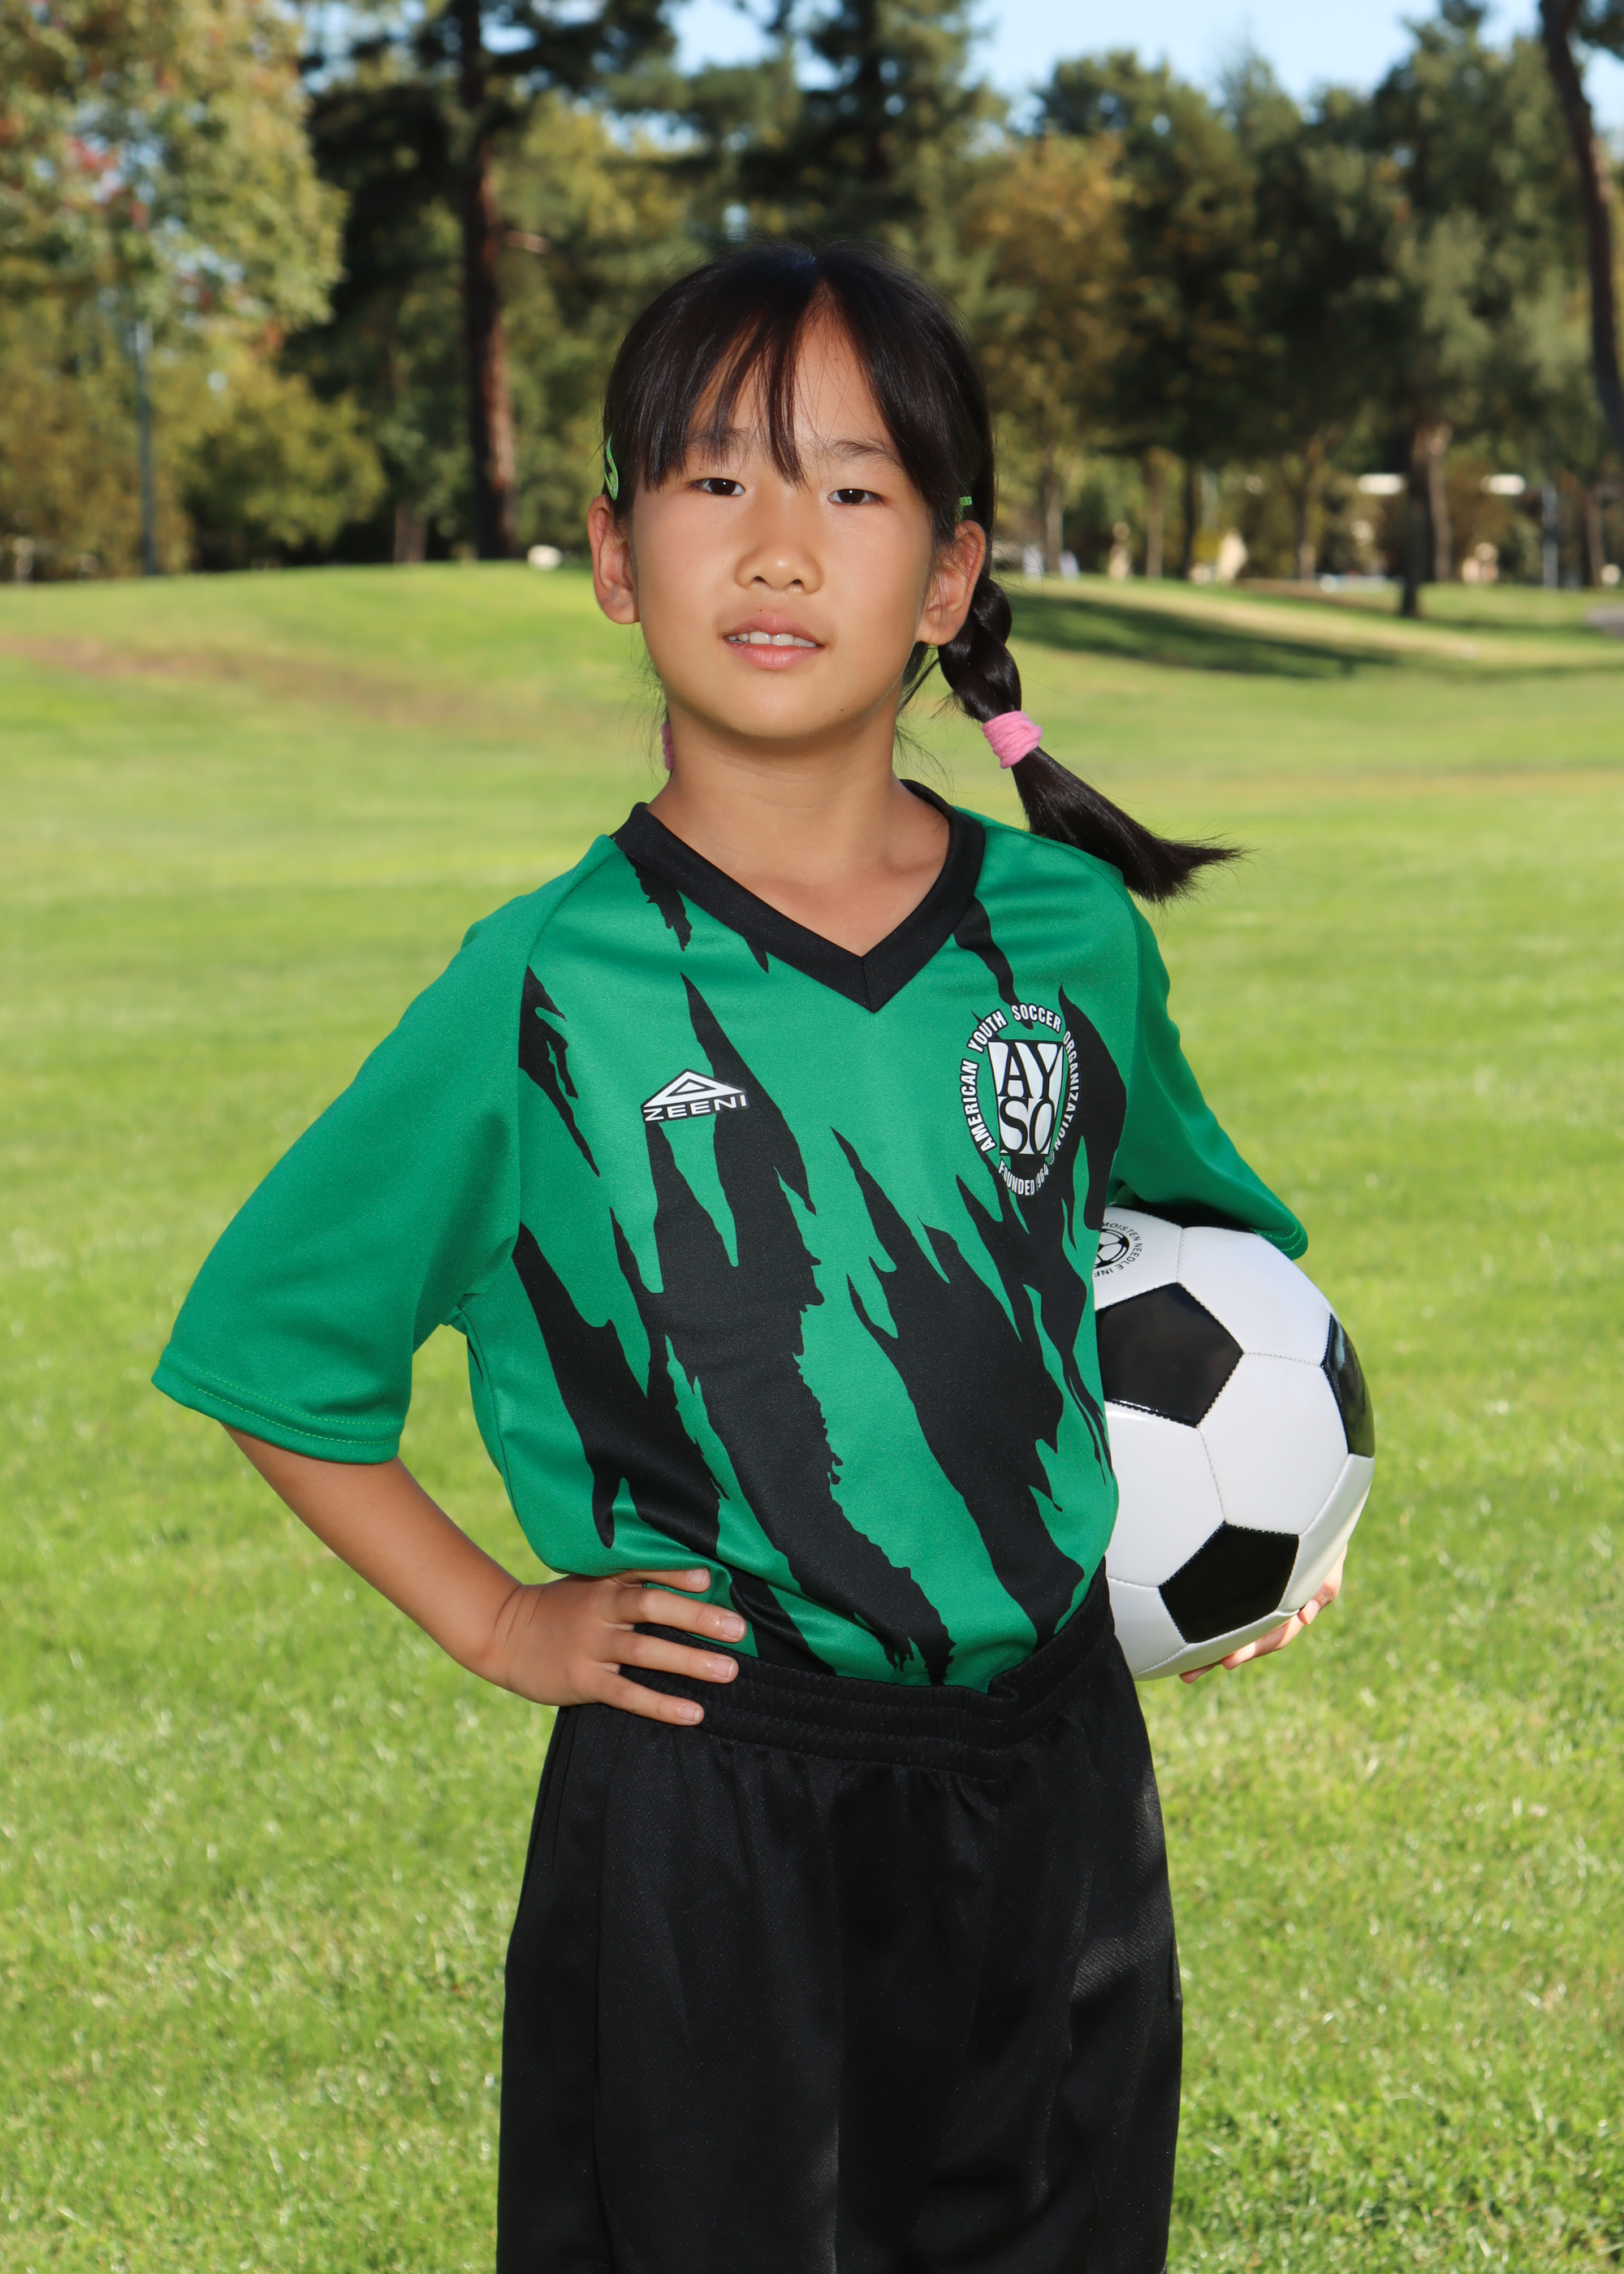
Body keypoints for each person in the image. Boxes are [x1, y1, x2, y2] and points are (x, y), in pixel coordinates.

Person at [153, 241, 1342, 2274]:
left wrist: (1278, 1515)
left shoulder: (1063, 937)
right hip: (712, 1809)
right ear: (615, 555)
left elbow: (1204, 1253)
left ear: (950, 577)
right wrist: (497, 1619)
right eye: (714, 479)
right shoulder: (545, 984)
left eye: (852, 488)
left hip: (1061, 1786)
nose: (779, 544)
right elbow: (279, 1349)